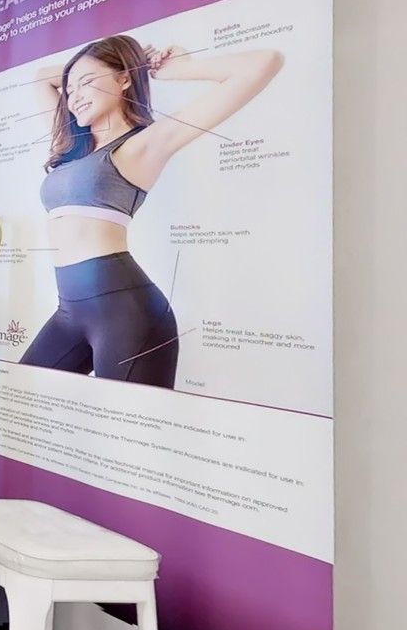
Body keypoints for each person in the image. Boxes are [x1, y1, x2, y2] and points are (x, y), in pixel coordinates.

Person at [21, 34, 284, 386]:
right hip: (68, 313)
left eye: (87, 82)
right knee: (23, 396)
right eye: (69, 90)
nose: (74, 96)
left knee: (130, 422)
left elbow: (264, 63)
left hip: (128, 315)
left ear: (124, 79)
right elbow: (42, 78)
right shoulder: (71, 146)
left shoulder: (144, 144)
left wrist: (180, 69)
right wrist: (112, 65)